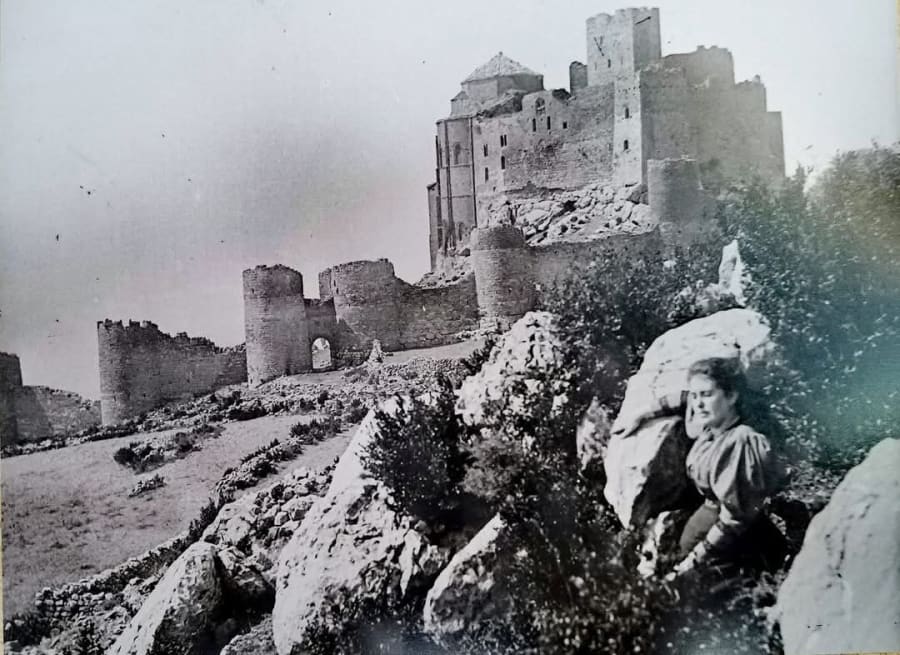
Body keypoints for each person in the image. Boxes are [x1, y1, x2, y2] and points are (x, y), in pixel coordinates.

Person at [615, 357, 787, 587]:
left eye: (707, 395)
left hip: (733, 538)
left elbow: (734, 519)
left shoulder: (739, 442)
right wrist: (643, 414)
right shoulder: (712, 424)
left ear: (732, 396)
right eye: (697, 396)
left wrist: (693, 561)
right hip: (708, 518)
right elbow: (683, 398)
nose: (698, 404)